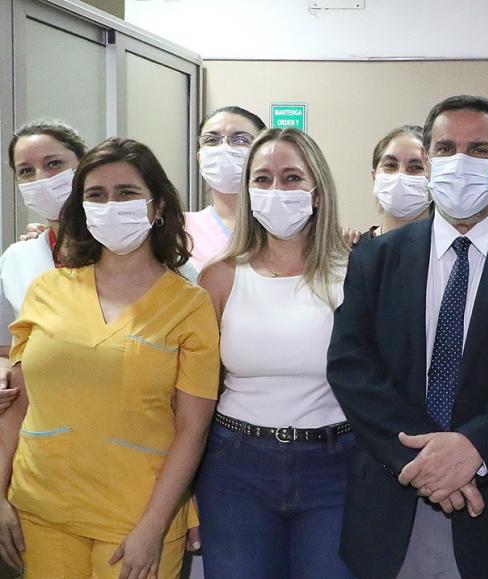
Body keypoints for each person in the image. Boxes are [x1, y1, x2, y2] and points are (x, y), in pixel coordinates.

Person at [328, 95, 488, 579]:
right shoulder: (376, 259)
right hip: (396, 502)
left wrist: (473, 447)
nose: (460, 162)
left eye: (479, 150)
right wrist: (426, 459)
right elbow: (351, 366)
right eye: (446, 148)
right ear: (427, 161)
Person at [0, 137, 220, 578]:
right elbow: (18, 405)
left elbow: (192, 430)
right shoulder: (46, 290)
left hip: (135, 517)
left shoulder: (189, 304)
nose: (110, 205)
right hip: (42, 507)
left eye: (126, 193)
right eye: (96, 195)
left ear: (157, 206)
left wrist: (155, 525)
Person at [195, 127, 353, 578]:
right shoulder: (219, 277)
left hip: (334, 464)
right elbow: (198, 393)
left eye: (291, 177)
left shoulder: (355, 272)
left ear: (317, 192)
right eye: (262, 179)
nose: (276, 190)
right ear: (247, 192)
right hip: (234, 466)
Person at [0, 119, 86, 361]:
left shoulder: (129, 250)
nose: (41, 178)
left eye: (54, 164)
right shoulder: (17, 259)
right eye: (26, 171)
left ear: (85, 164)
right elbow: (6, 349)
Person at [186, 106, 266, 270]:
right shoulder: (182, 229)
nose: (224, 148)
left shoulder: (281, 224)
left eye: (241, 140)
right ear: (200, 157)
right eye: (211, 140)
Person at [356, 124, 431, 243]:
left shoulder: (453, 248)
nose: (400, 175)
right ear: (374, 177)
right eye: (390, 165)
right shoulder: (354, 249)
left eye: (416, 167)